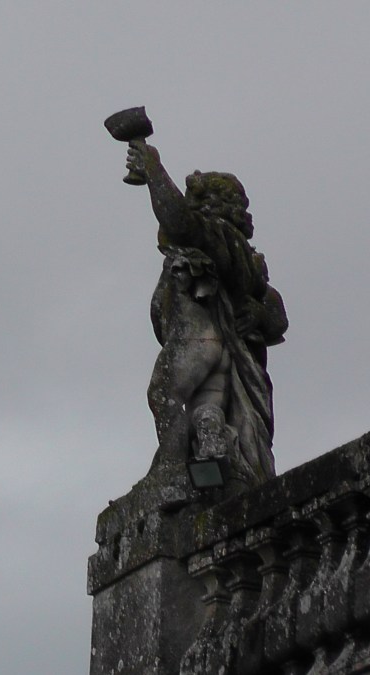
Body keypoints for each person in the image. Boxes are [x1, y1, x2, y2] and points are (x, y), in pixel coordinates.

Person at [125, 140, 288, 490]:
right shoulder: (242, 254)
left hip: (198, 339)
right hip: (221, 351)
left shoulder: (220, 239)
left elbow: (180, 224)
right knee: (208, 401)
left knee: (163, 392)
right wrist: (259, 314)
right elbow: (273, 310)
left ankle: (170, 472)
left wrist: (153, 169)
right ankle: (211, 438)